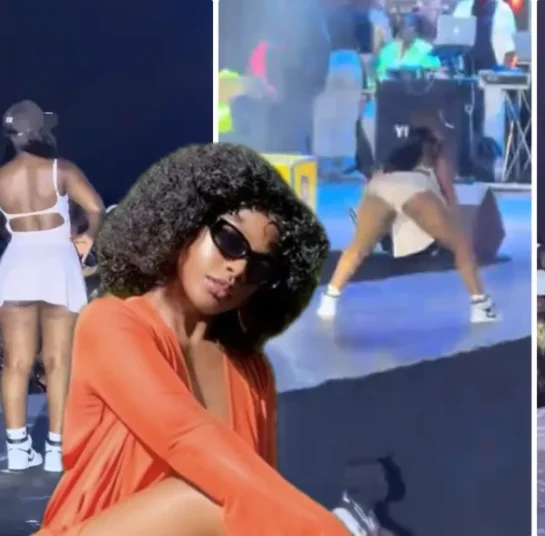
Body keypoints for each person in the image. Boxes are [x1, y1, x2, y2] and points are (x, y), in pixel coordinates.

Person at [35, 144, 350, 536]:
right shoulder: (111, 324)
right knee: (217, 497)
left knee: (248, 503)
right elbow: (186, 437)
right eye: (230, 240)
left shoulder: (252, 371)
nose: (237, 269)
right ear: (186, 223)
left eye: (260, 267)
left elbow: (261, 492)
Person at [0, 100, 104, 473]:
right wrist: (87, 237)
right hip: (58, 264)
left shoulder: (1, 177)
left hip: (16, 265)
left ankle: (17, 449)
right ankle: (56, 452)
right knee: (59, 362)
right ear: (40, 133)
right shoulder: (62, 169)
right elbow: (95, 208)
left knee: (15, 363)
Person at [316, 116, 498, 323]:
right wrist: (457, 225)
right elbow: (449, 193)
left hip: (378, 187)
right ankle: (481, 305)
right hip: (413, 188)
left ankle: (329, 299)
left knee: (357, 249)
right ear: (433, 140)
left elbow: (375, 179)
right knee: (461, 245)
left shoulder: (395, 157)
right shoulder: (436, 156)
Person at [375, 13, 441, 82]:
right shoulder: (388, 49)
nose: (402, 30)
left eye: (405, 27)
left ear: (414, 30)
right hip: (390, 87)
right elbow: (380, 73)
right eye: (402, 27)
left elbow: (434, 73)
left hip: (418, 87)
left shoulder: (426, 49)